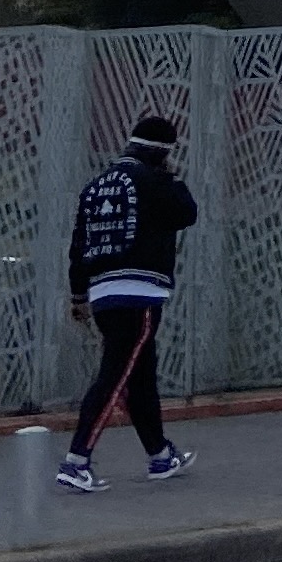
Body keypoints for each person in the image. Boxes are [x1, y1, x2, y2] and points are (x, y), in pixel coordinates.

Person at [57, 110, 199, 493]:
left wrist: (77, 294)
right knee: (116, 374)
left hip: (103, 291)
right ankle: (76, 460)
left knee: (140, 377)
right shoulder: (154, 180)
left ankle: (160, 455)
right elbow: (187, 213)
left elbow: (77, 245)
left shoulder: (96, 186)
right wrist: (170, 177)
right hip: (140, 292)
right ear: (163, 152)